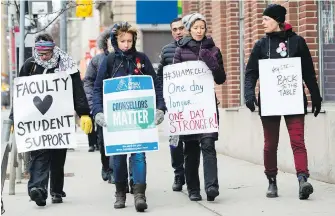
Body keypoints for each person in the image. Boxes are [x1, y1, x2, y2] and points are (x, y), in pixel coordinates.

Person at [244, 4, 322, 200]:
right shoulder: (261, 45)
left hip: (293, 100)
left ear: (277, 20)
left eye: (266, 19)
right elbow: (251, 73)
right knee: (270, 144)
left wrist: (316, 95)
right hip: (270, 102)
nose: (263, 23)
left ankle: (303, 179)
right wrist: (249, 94)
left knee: (298, 141)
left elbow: (308, 73)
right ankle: (272, 180)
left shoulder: (297, 42)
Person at [9, 33, 92, 206]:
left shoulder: (67, 65)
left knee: (57, 156)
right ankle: (37, 189)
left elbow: (77, 89)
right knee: (39, 153)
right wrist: (14, 118)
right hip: (36, 121)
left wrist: (84, 113)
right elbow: (19, 95)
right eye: (41, 53)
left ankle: (56, 190)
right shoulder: (30, 65)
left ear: (53, 49)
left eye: (47, 53)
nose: (44, 57)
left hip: (60, 119)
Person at [92, 22, 166, 212]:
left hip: (139, 118)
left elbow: (155, 84)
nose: (126, 44)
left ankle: (140, 194)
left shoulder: (141, 59)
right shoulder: (108, 61)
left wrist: (160, 108)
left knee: (139, 155)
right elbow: (98, 88)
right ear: (115, 41)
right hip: (116, 119)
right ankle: (120, 193)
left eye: (129, 41)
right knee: (118, 157)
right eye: (122, 40)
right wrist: (98, 111)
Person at [173, 13, 226, 202]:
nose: (199, 31)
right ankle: (194, 189)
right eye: (195, 27)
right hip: (188, 108)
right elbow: (175, 79)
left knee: (209, 145)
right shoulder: (181, 51)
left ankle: (211, 187)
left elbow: (221, 78)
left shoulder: (214, 49)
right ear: (189, 29)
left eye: (202, 27)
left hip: (207, 105)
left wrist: (209, 60)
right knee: (191, 149)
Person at [83, 27, 134, 191]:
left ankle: (122, 174)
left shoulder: (131, 59)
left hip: (126, 109)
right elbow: (90, 83)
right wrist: (93, 105)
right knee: (104, 142)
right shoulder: (98, 61)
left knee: (127, 144)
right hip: (103, 108)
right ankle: (108, 168)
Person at [157, 17, 187, 192]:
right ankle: (178, 173)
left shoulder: (196, 47)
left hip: (193, 104)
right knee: (175, 141)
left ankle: (190, 174)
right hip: (174, 104)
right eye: (174, 29)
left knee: (192, 142)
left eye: (181, 28)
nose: (178, 32)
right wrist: (162, 100)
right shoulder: (166, 51)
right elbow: (160, 77)